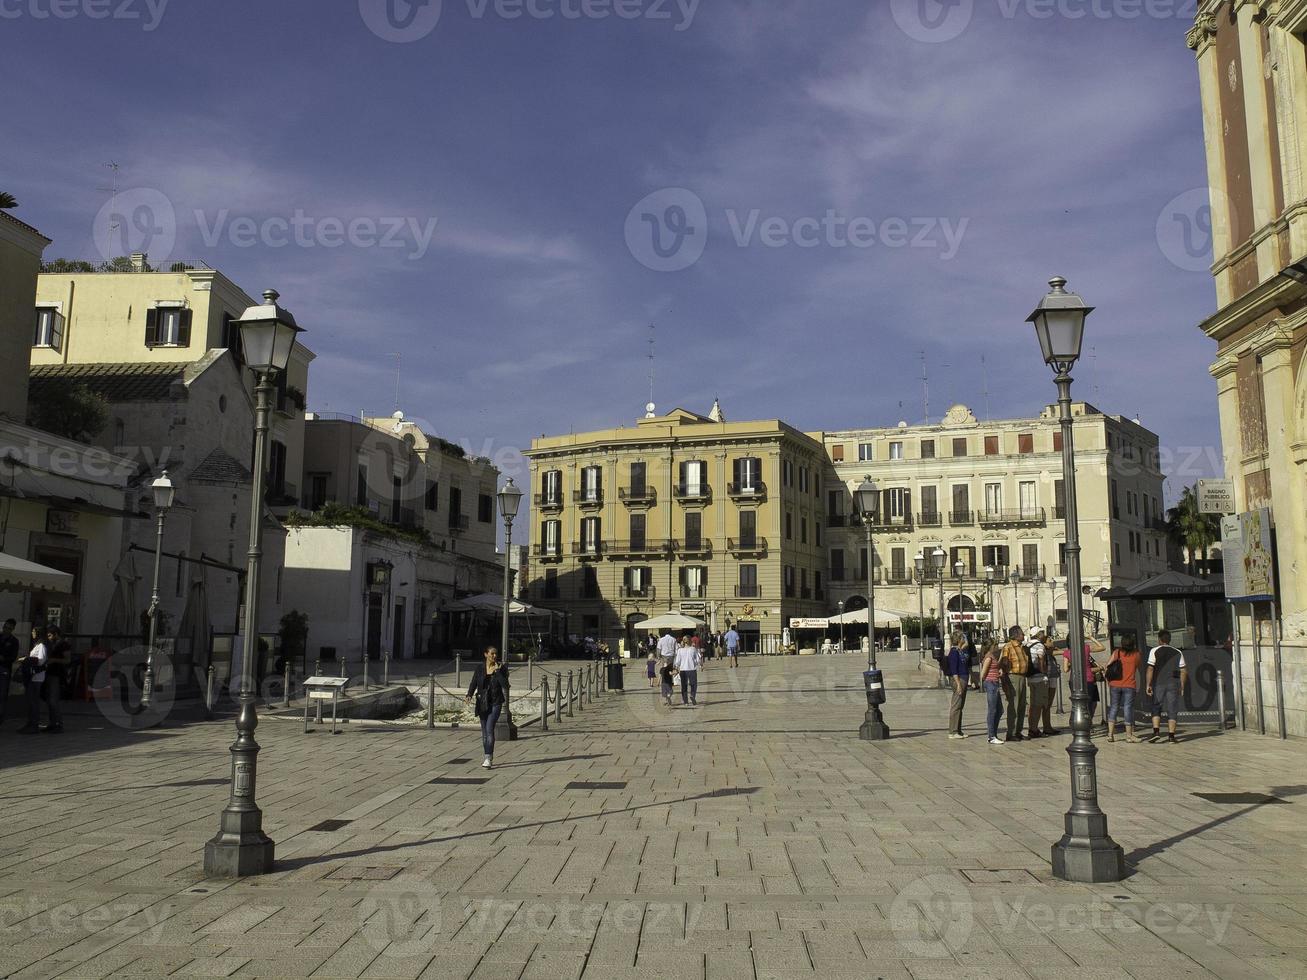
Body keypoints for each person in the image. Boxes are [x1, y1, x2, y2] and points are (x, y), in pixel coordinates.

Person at [465, 646, 509, 768]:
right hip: (482, 702)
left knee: (489, 729)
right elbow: (474, 682)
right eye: (492, 654)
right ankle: (487, 756)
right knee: (484, 732)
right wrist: (469, 694)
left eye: (496, 654)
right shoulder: (479, 668)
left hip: (496, 702)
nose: (494, 656)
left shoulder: (502, 668)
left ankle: (488, 758)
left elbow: (506, 685)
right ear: (486, 654)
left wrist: (498, 672)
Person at [1146, 629, 1188, 744]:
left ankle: (1156, 732)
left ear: (1159, 640)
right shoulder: (1178, 652)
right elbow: (1183, 670)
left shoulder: (1154, 650)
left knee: (1156, 706)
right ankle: (1171, 736)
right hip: (1173, 683)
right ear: (1169, 640)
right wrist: (1182, 686)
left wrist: (1148, 684)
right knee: (1172, 708)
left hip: (1159, 682)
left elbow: (1150, 668)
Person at [1105, 635, 1143, 743]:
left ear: (1122, 644)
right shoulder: (1136, 655)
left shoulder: (1117, 653)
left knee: (1114, 707)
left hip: (1115, 684)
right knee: (1128, 708)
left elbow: (1108, 665)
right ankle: (1129, 735)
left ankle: (1110, 734)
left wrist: (1109, 681)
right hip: (1129, 685)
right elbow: (1137, 667)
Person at [998, 626, 1030, 742]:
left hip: (1022, 677)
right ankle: (1011, 732)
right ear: (1016, 635)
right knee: (1014, 705)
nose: (1023, 635)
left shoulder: (1021, 647)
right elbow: (1004, 664)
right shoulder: (1008, 647)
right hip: (1013, 677)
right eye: (1022, 633)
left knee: (1022, 705)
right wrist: (1005, 681)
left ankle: (1018, 731)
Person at [18, 626, 48, 734]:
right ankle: (30, 722)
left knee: (34, 702)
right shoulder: (36, 646)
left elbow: (40, 661)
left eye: (34, 632)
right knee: (30, 701)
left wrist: (26, 659)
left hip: (37, 678)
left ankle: (34, 724)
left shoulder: (42, 647)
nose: (32, 633)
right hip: (31, 677)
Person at [943, 630, 969, 739]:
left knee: (960, 706)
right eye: (962, 638)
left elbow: (967, 644)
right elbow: (954, 670)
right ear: (959, 640)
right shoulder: (954, 652)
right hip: (959, 680)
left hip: (963, 678)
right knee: (956, 705)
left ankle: (958, 730)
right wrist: (958, 684)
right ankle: (953, 731)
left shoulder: (959, 651)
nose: (964, 639)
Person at [977, 640, 1004, 745]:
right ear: (991, 647)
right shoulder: (988, 657)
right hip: (991, 684)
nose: (997, 647)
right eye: (995, 645)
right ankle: (991, 736)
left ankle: (994, 734)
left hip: (995, 683)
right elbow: (983, 674)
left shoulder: (992, 656)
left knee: (999, 710)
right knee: (992, 710)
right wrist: (988, 681)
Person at [42, 625, 68, 733]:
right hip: (48, 673)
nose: (48, 637)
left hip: (57, 674)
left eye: (50, 635)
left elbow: (67, 660)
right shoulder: (50, 644)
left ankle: (58, 723)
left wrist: (54, 660)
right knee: (49, 700)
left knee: (53, 700)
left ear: (56, 634)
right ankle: (52, 723)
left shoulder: (64, 645)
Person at [1026, 628, 1049, 739]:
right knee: (1038, 705)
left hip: (1029, 678)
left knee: (1032, 705)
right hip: (1039, 679)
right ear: (1038, 635)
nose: (1044, 635)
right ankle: (1034, 729)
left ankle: (1031, 727)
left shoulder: (1027, 645)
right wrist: (1044, 671)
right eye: (1042, 633)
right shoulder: (1040, 646)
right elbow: (1041, 659)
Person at [673, 634, 701, 705]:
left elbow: (677, 662)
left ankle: (686, 702)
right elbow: (698, 660)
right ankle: (692, 695)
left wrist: (676, 668)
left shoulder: (680, 650)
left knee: (684, 686)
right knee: (693, 684)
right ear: (690, 641)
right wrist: (699, 664)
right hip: (692, 669)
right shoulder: (693, 649)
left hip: (683, 670)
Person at [0, 619, 18, 727]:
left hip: (4, 669)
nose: (6, 630)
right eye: (5, 627)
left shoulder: (14, 641)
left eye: (9, 628)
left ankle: (1, 717)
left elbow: (13, 657)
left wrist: (3, 658)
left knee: (2, 694)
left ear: (12, 629)